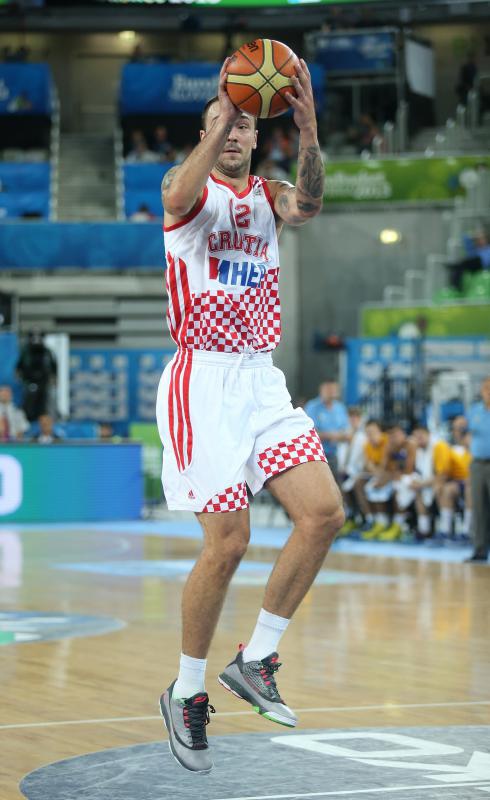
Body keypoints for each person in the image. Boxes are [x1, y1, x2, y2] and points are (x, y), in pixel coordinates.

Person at [156, 57, 342, 774]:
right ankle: (189, 689)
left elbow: (314, 205)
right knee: (227, 544)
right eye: (221, 122)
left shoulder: (268, 195)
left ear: (256, 136)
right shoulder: (189, 200)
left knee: (323, 513)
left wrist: (310, 132)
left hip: (259, 377)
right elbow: (175, 186)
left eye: (242, 122)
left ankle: (257, 657)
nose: (234, 131)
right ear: (205, 134)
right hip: (201, 379)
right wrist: (222, 115)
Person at [465, 376, 490, 562]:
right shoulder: (475, 411)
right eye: (486, 389)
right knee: (479, 508)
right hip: (478, 464)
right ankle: (480, 550)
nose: (488, 392)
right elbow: (466, 434)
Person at [304, 379, 350, 475]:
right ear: (322, 390)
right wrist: (333, 435)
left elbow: (347, 432)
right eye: (328, 389)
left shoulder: (340, 408)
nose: (331, 392)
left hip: (334, 455)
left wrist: (335, 436)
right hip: (315, 456)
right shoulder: (312, 407)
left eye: (334, 389)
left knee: (336, 487)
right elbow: (309, 432)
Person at [337, 406, 367, 535]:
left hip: (359, 471)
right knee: (341, 489)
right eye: (351, 417)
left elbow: (363, 456)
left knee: (356, 485)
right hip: (346, 470)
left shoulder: (364, 435)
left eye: (356, 417)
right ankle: (351, 517)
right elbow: (341, 453)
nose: (353, 420)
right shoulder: (345, 433)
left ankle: (365, 519)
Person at [16, 330, 57, 422]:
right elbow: (19, 366)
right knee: (29, 405)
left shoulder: (47, 352)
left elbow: (54, 367)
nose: (36, 340)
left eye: (39, 338)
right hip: (29, 382)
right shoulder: (25, 351)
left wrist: (53, 378)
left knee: (43, 405)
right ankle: (28, 421)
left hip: (43, 383)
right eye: (34, 338)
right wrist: (20, 377)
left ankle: (42, 422)